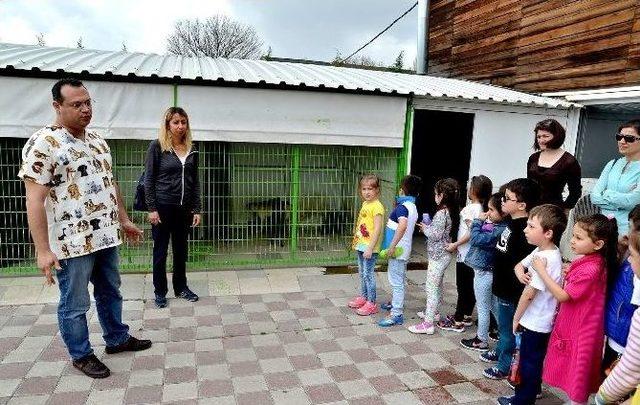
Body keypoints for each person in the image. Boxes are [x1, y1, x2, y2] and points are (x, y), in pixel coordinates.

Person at [18, 78, 151, 379]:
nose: (86, 109)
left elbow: (109, 183)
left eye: (88, 102)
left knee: (110, 291)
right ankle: (81, 354)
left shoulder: (98, 141)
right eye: (76, 104)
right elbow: (34, 200)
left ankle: (117, 338)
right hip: (72, 243)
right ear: (57, 106)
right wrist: (42, 249)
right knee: (75, 301)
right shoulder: (43, 144)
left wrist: (125, 219)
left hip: (105, 235)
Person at [539, 214, 618, 405]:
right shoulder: (592, 262)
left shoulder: (591, 268)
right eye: (573, 235)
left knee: (578, 372)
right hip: (578, 326)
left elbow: (563, 295)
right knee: (574, 370)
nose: (572, 241)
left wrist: (541, 270)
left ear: (598, 244)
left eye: (579, 238)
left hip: (581, 331)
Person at [497, 204, 567, 405]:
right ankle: (531, 391)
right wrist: (520, 273)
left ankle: (522, 400)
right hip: (537, 320)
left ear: (548, 233)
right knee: (531, 360)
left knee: (528, 362)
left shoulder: (545, 259)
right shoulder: (543, 251)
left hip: (536, 322)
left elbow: (529, 294)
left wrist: (516, 318)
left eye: (531, 226)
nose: (525, 229)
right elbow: (519, 265)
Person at [145, 107, 202, 308]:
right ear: (168, 125)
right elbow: (149, 179)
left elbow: (194, 181)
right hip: (162, 206)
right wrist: (152, 208)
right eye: (176, 122)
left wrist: (196, 209)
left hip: (184, 209)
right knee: (160, 251)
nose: (180, 126)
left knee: (180, 250)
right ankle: (160, 291)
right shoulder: (157, 146)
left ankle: (181, 288)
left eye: (183, 122)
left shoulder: (192, 149)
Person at [483, 178, 540, 379]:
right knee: (502, 326)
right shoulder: (511, 223)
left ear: (522, 205)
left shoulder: (526, 231)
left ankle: (504, 366)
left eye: (508, 199)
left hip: (511, 290)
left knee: (508, 329)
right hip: (501, 286)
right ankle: (499, 351)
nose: (503, 202)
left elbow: (526, 265)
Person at [438, 175, 493, 332]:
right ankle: (467, 315)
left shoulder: (470, 209)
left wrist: (455, 244)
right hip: (474, 255)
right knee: (470, 286)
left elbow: (471, 231)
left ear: (474, 190)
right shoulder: (484, 209)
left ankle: (458, 320)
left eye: (470, 186)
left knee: (462, 287)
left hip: (466, 256)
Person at [408, 177, 460, 335]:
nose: (434, 196)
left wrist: (425, 228)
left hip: (438, 257)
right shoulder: (451, 210)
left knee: (431, 288)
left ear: (442, 195)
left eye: (436, 193)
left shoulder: (441, 214)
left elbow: (435, 235)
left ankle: (428, 323)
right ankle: (434, 312)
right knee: (438, 286)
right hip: (444, 255)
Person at [596, 228, 640, 404]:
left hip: (623, 342)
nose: (629, 259)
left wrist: (602, 397)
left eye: (634, 255)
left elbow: (629, 371)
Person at [460, 193, 507, 351]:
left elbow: (476, 239)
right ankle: (505, 334)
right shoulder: (498, 226)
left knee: (483, 306)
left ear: (504, 212)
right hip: (486, 271)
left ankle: (481, 340)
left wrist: (478, 221)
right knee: (493, 305)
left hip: (484, 272)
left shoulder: (499, 229)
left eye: (492, 210)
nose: (488, 213)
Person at [378, 175, 422, 327]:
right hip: (404, 249)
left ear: (402, 190)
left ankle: (396, 313)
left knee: (396, 282)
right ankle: (396, 303)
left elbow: (402, 225)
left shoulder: (403, 207)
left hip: (397, 251)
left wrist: (391, 246)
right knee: (399, 280)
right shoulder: (413, 206)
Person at [603, 206, 640, 378]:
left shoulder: (637, 273)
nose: (628, 233)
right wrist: (624, 248)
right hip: (617, 336)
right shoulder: (631, 258)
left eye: (632, 228)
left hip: (626, 344)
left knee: (614, 386)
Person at [591, 119, 640, 236]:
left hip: (629, 232)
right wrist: (621, 200)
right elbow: (594, 197)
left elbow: (634, 201)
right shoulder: (612, 163)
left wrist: (607, 193)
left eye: (629, 138)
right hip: (603, 229)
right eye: (619, 137)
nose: (622, 141)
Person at [527, 119, 582, 211]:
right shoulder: (533, 158)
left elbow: (575, 192)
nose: (541, 140)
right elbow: (528, 185)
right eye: (539, 137)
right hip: (531, 208)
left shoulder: (569, 161)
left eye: (546, 136)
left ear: (557, 136)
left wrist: (565, 210)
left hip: (553, 211)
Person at [348, 174, 384, 316]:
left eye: (370, 189)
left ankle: (372, 303)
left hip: (370, 247)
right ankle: (363, 297)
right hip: (361, 244)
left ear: (377, 190)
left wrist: (370, 248)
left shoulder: (377, 207)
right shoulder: (365, 204)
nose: (367, 192)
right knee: (362, 273)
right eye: (364, 189)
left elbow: (377, 229)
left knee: (368, 274)